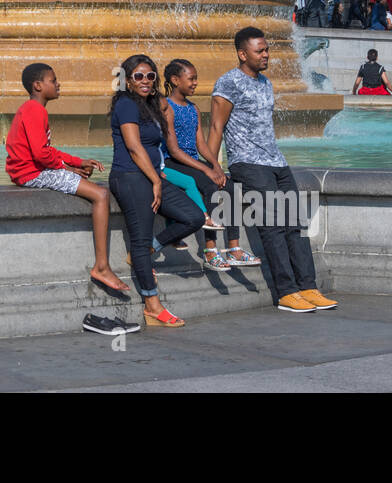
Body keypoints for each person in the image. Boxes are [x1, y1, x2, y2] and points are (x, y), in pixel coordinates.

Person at [207, 27, 337, 312]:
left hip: (276, 162)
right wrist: (214, 166)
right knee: (273, 227)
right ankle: (286, 293)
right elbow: (216, 127)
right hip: (248, 163)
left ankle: (308, 286)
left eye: (266, 50)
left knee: (296, 225)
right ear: (242, 54)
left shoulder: (265, 82)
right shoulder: (228, 83)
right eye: (259, 50)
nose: (266, 55)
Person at [6, 63, 126, 293]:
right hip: (31, 173)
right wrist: (68, 169)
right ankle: (102, 266)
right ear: (38, 85)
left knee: (87, 177)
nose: (58, 84)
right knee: (100, 195)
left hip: (30, 170)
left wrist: (75, 162)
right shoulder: (34, 110)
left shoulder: (33, 109)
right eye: (53, 80)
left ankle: (102, 266)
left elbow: (44, 151)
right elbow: (41, 154)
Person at [106, 54, 206, 328]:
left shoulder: (150, 106)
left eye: (150, 76)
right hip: (130, 177)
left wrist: (157, 174)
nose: (146, 81)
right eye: (138, 76)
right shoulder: (126, 104)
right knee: (139, 239)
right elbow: (134, 147)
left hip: (150, 176)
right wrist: (156, 180)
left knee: (193, 217)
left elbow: (153, 147)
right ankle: (152, 305)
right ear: (127, 80)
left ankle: (152, 247)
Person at [160, 59, 260, 272]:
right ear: (175, 80)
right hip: (172, 161)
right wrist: (206, 170)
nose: (196, 83)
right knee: (209, 186)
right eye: (191, 79)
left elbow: (202, 144)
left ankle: (234, 247)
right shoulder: (166, 107)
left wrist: (215, 166)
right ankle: (210, 249)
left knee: (230, 186)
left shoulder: (193, 108)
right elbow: (174, 149)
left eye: (196, 78)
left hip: (192, 161)